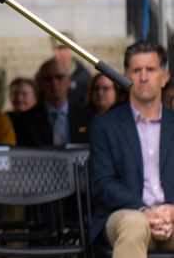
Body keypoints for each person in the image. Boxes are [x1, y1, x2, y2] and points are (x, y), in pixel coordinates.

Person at [89, 41, 174, 257]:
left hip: (170, 216)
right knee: (135, 223)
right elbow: (102, 183)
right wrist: (143, 210)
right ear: (125, 77)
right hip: (124, 214)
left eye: (151, 70)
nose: (144, 77)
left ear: (164, 77)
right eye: (137, 70)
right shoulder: (105, 125)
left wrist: (171, 210)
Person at [14, 58, 95, 147]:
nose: (54, 83)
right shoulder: (25, 121)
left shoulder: (87, 117)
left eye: (59, 77)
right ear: (39, 83)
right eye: (47, 78)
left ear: (68, 81)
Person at [44, 33, 92, 109]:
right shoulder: (45, 74)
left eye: (66, 48)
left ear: (72, 49)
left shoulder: (84, 75)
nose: (63, 53)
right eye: (59, 49)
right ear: (53, 50)